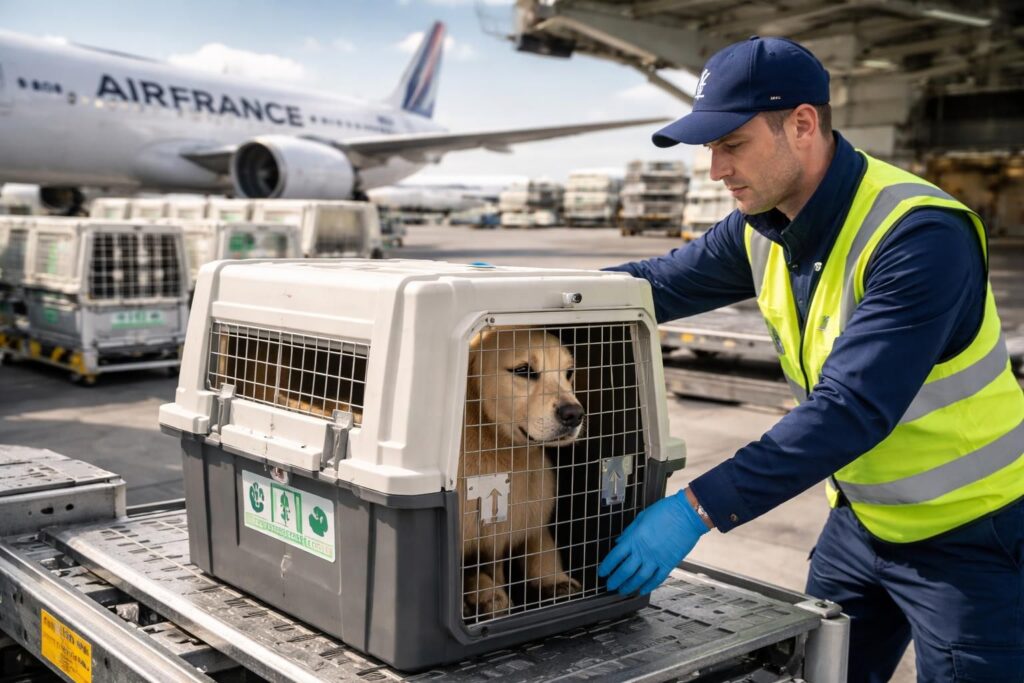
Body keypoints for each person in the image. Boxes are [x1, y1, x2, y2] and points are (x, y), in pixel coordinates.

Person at [597, 35, 1024, 682]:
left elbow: (851, 409)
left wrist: (696, 508)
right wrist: (529, 292)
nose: (716, 169)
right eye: (710, 148)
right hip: (859, 520)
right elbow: (653, 285)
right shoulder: (762, 225)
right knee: (819, 673)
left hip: (972, 536)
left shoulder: (920, 234)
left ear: (801, 125)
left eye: (731, 144)